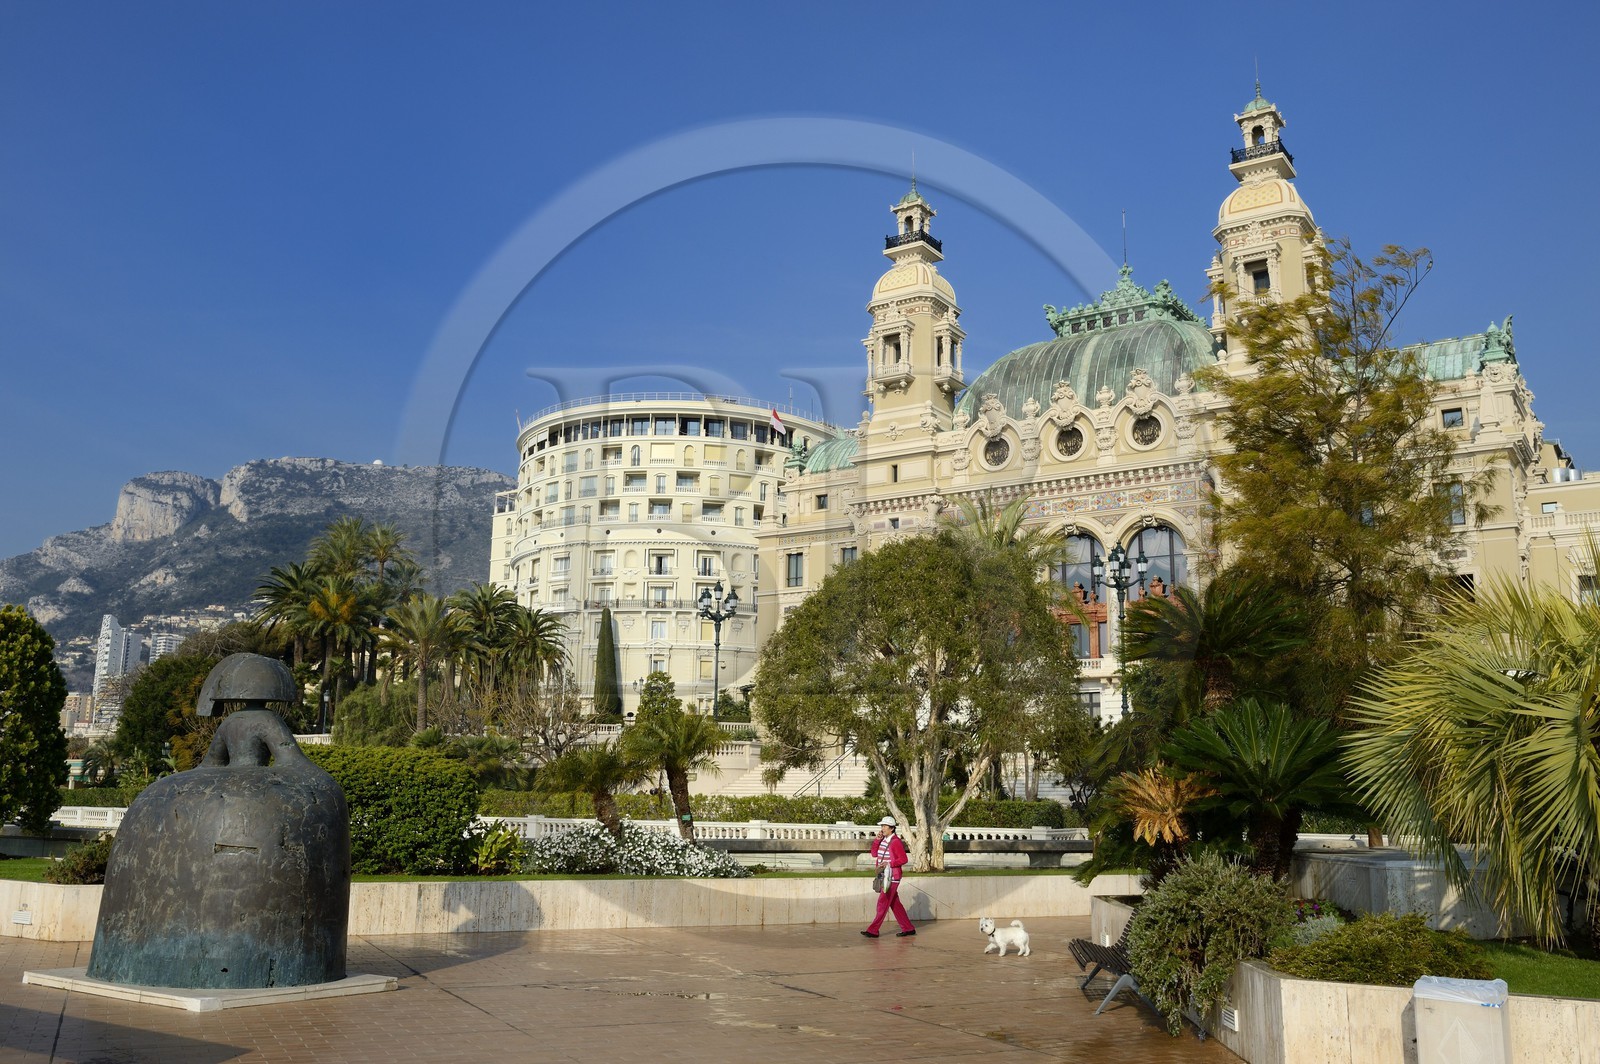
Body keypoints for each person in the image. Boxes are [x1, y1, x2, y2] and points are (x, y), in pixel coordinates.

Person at [862, 815, 915, 938]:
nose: (882, 828)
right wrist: (876, 840)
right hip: (883, 875)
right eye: (882, 826)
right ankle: (908, 928)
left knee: (883, 902)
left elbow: (903, 859)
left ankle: (873, 930)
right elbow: (874, 854)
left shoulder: (896, 842)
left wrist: (889, 863)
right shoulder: (883, 840)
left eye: (884, 826)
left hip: (892, 876)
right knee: (894, 903)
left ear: (891, 828)